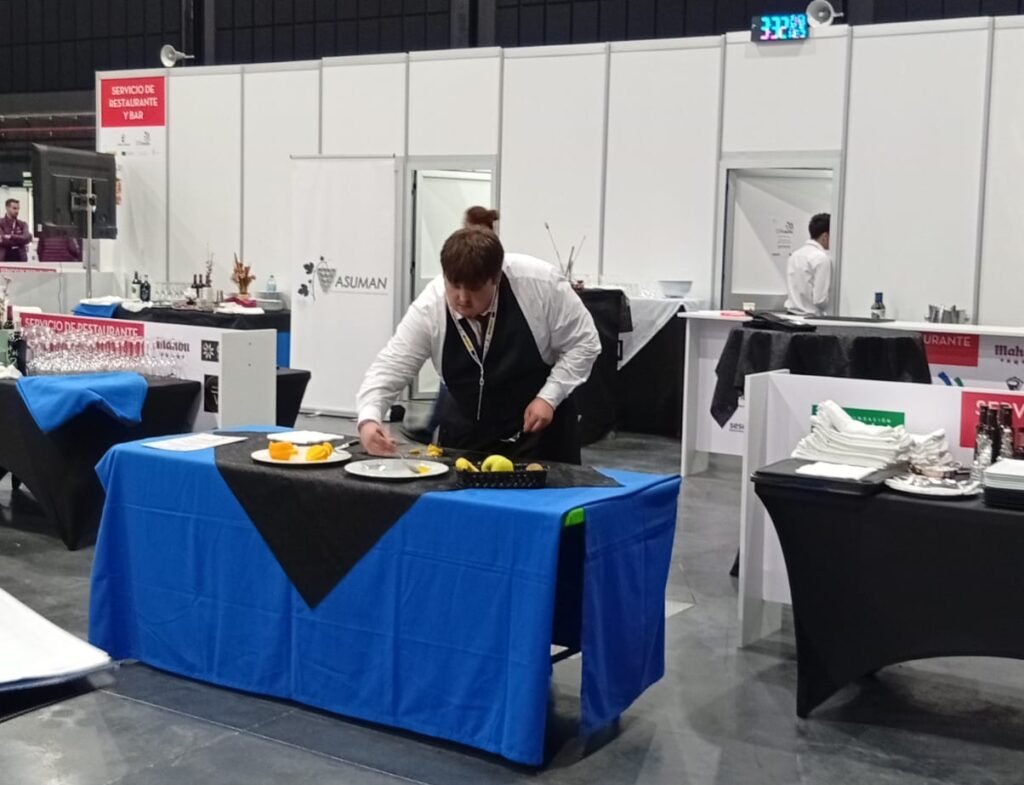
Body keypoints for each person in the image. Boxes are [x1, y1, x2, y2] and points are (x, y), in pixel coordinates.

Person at [357, 227, 601, 464]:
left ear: (496, 279)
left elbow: (585, 342)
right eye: (454, 286)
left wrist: (549, 397)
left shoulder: (541, 285)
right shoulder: (429, 308)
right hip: (467, 433)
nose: (463, 298)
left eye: (474, 289)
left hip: (540, 430)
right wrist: (369, 420)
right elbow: (391, 366)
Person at [784, 213, 831, 316]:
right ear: (825, 236)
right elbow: (819, 300)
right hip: (810, 318)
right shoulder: (821, 258)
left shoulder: (795, 255)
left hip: (791, 316)